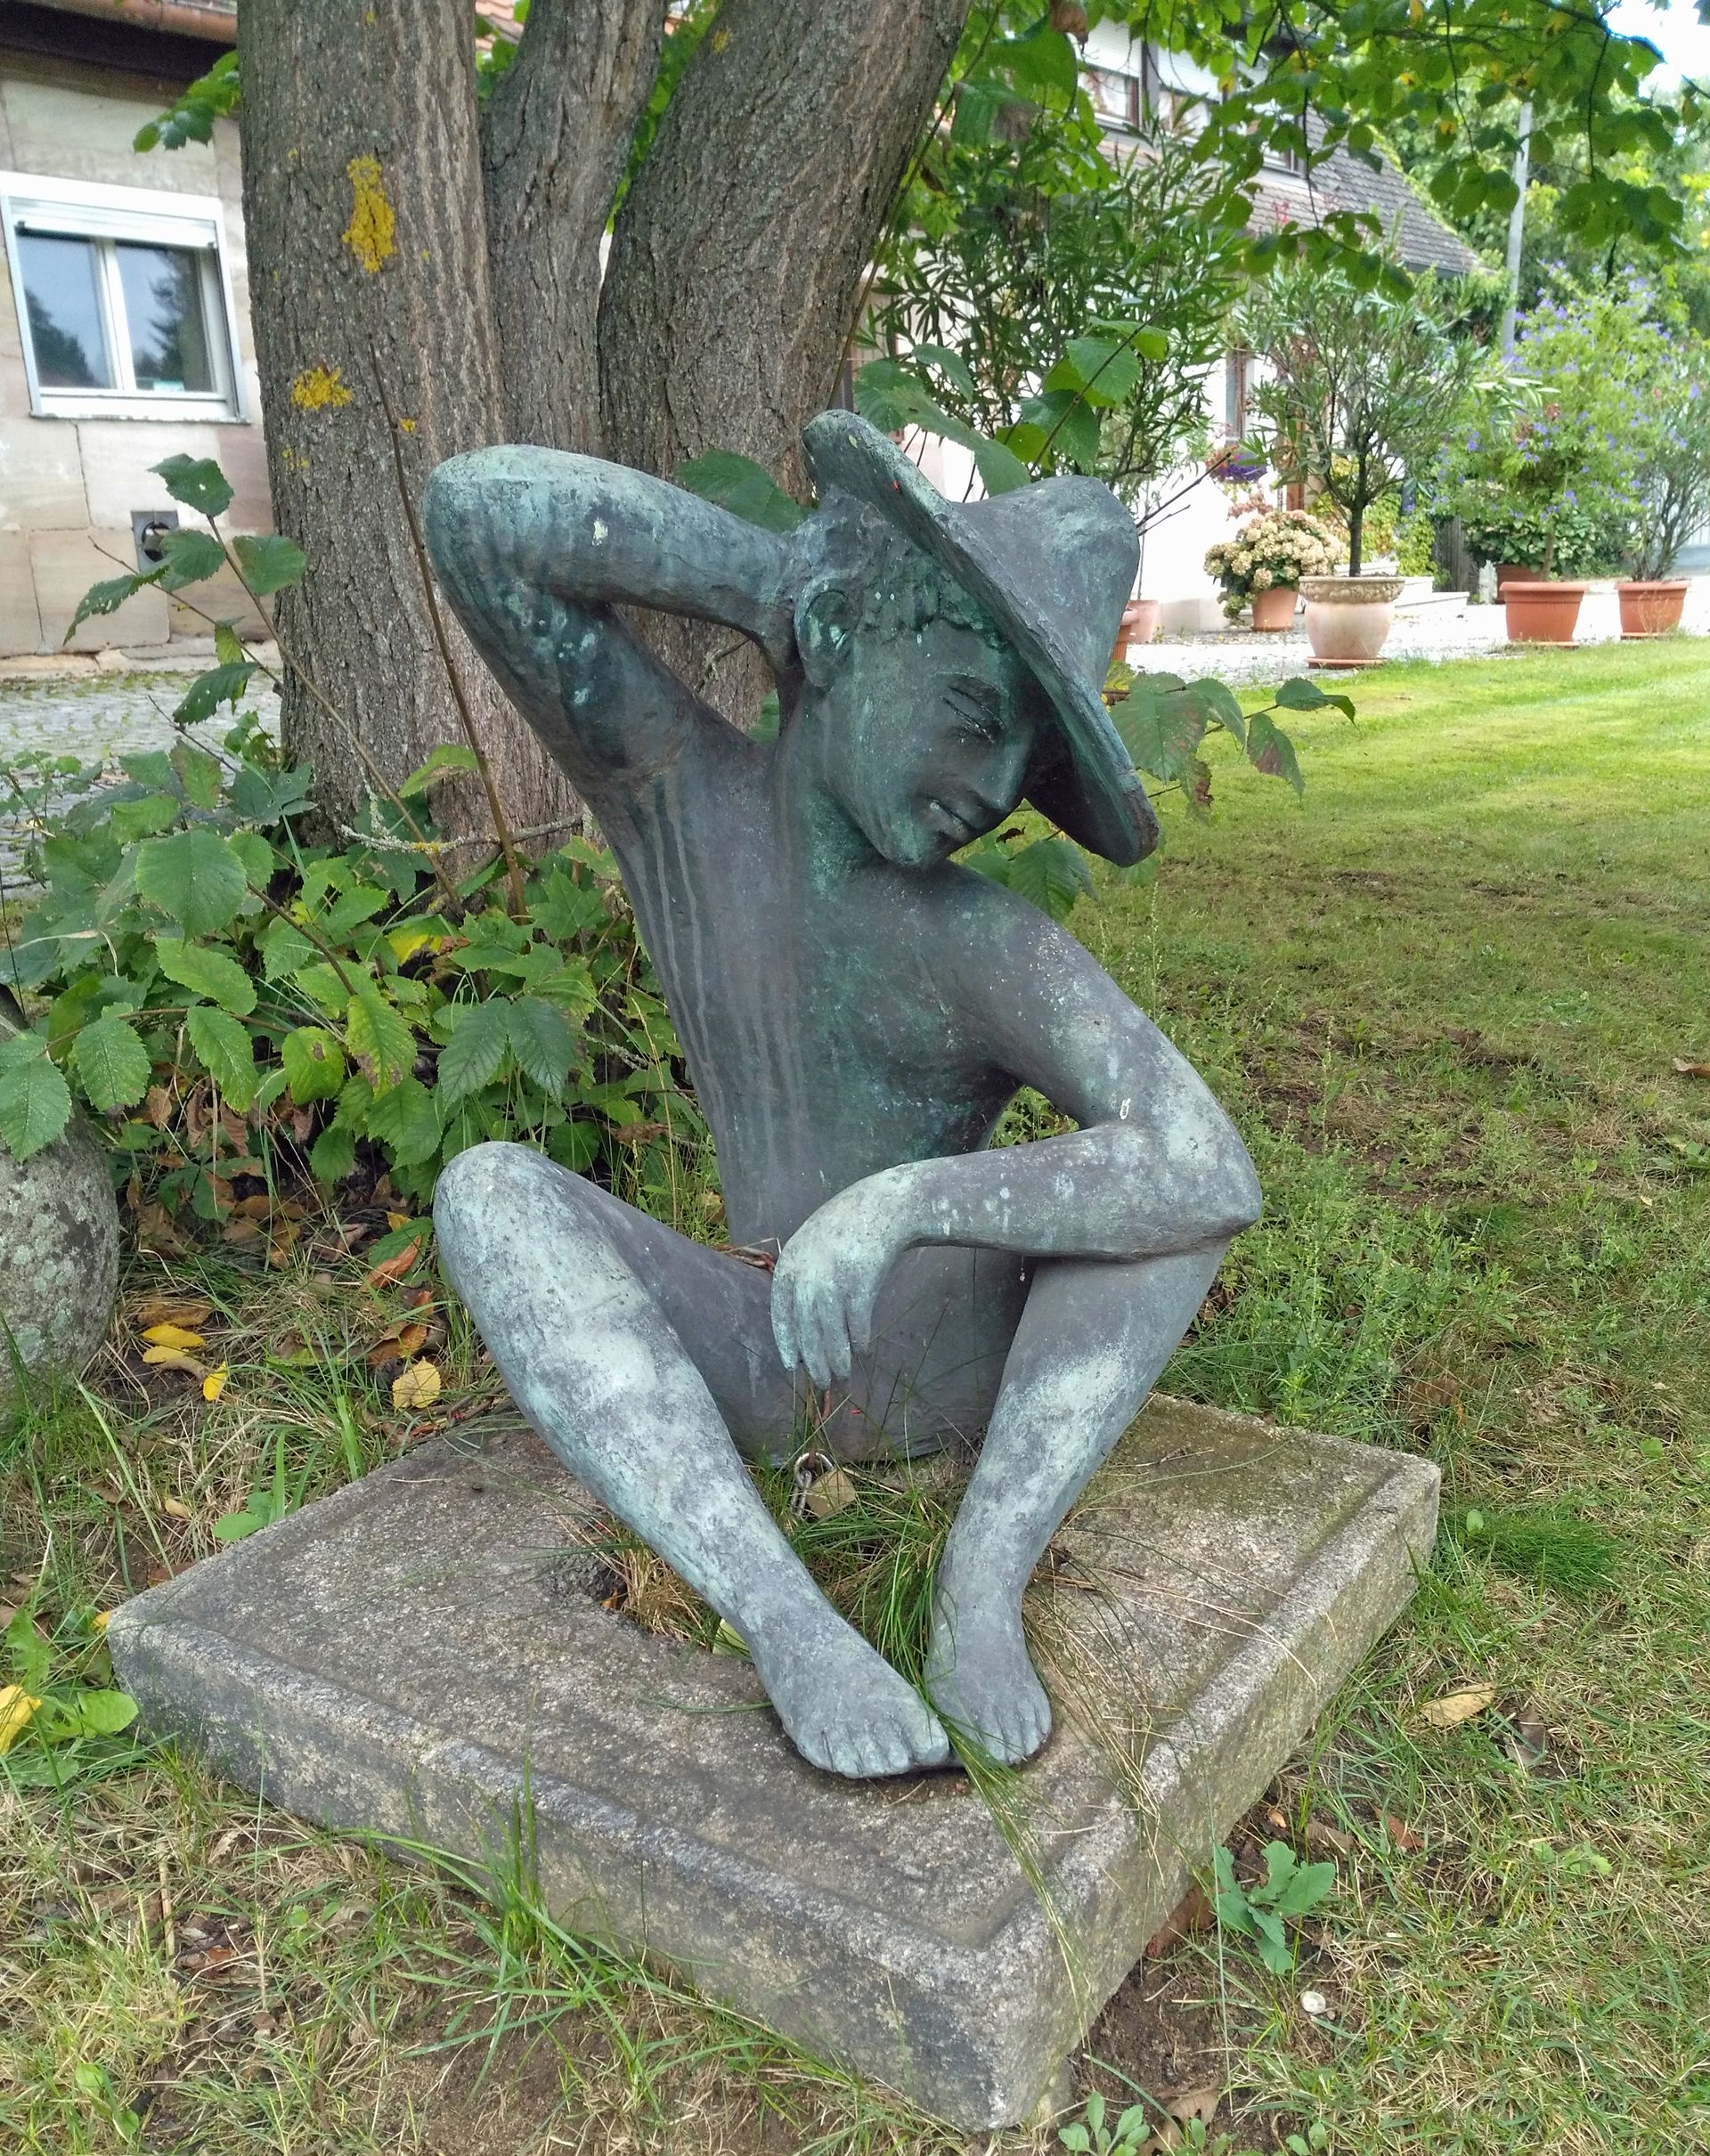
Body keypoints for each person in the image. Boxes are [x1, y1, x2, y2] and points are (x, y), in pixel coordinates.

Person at [421, 414, 1260, 1780]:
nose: (996, 790)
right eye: (976, 716)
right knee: (490, 1195)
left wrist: (906, 1200)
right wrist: (785, 582)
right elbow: (478, 513)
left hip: (958, 1356)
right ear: (853, 631)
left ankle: (981, 1575)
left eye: (1027, 761)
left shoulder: (978, 940)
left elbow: (1209, 1164)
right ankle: (787, 1620)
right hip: (765, 1345)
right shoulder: (679, 799)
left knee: (1167, 1210)